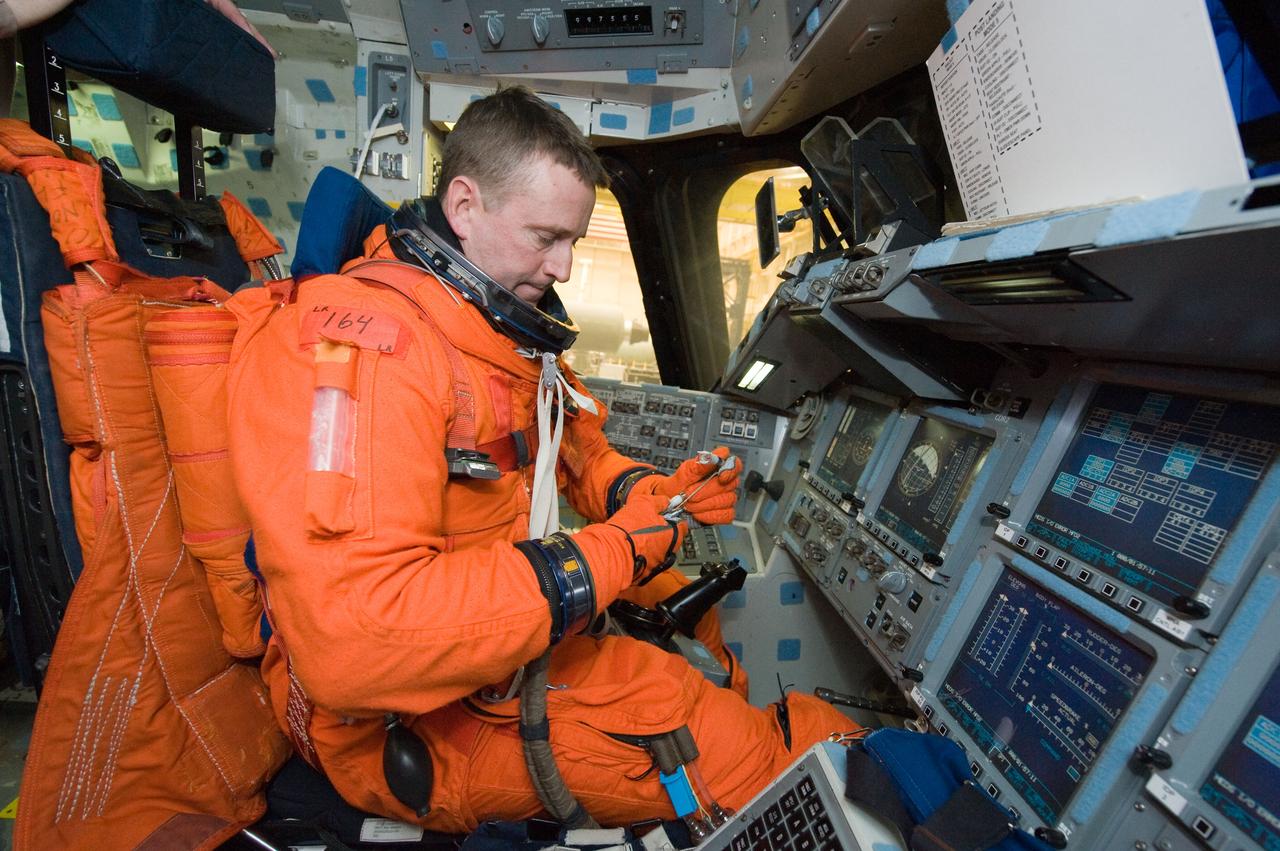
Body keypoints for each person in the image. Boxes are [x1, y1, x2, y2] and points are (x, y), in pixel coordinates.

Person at [227, 85, 855, 834]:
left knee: (690, 613)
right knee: (743, 744)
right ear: (464, 206)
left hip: (483, 649)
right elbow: (358, 645)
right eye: (545, 237)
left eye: (574, 241)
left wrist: (647, 493)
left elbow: (573, 442)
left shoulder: (492, 330)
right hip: (401, 718)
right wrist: (610, 552)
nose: (562, 266)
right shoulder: (369, 354)